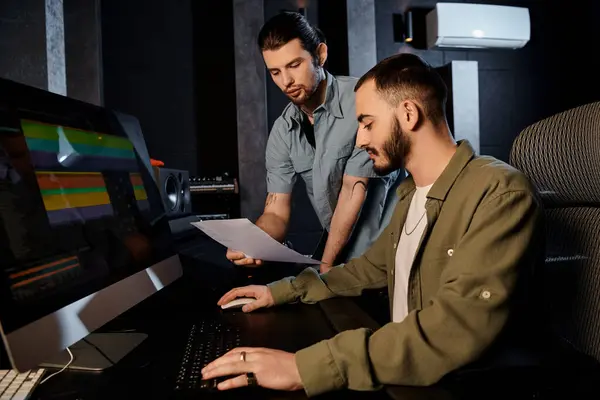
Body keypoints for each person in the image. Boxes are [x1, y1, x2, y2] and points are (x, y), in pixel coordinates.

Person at [201, 53, 544, 396]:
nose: (361, 140)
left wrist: (302, 367)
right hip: (402, 375)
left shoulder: (499, 193)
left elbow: (454, 329)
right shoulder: (411, 195)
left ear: (408, 114)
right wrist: (281, 291)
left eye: (367, 123)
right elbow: (365, 270)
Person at [226, 12, 402, 273]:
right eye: (275, 72)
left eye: (294, 65)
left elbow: (353, 192)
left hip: (394, 248)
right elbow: (276, 213)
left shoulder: (362, 102)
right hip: (341, 256)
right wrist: (253, 243)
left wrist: (325, 269)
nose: (286, 82)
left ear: (320, 55)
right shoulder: (283, 132)